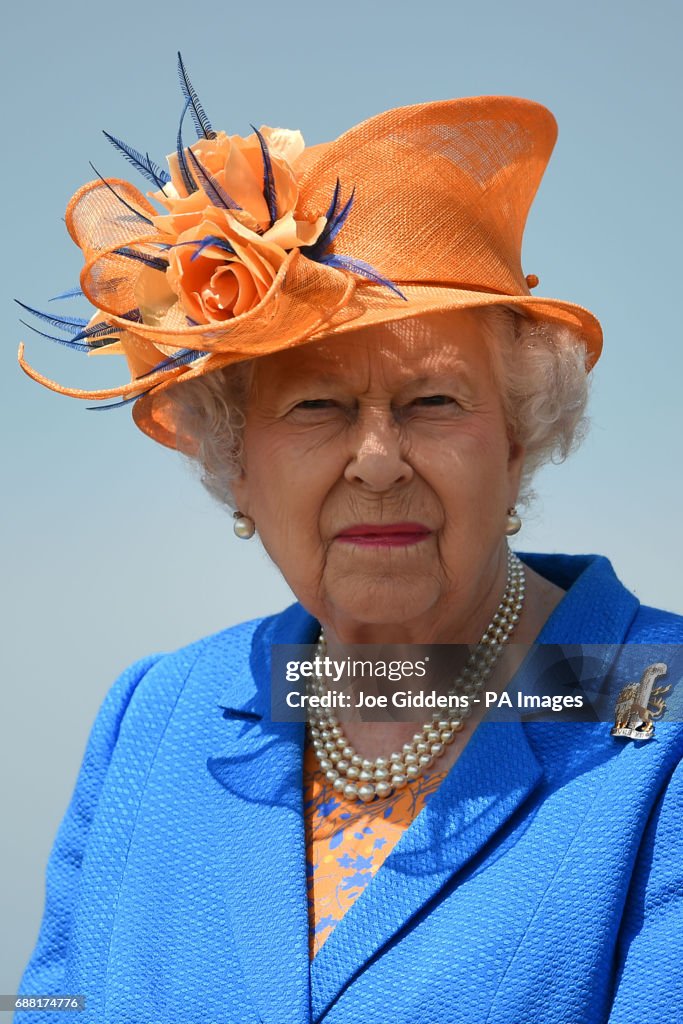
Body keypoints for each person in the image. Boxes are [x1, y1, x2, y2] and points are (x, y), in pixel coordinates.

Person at [14, 56, 683, 1024]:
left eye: (431, 401)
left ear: (516, 439)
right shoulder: (155, 715)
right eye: (316, 405)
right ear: (237, 463)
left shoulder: (651, 709)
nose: (376, 460)